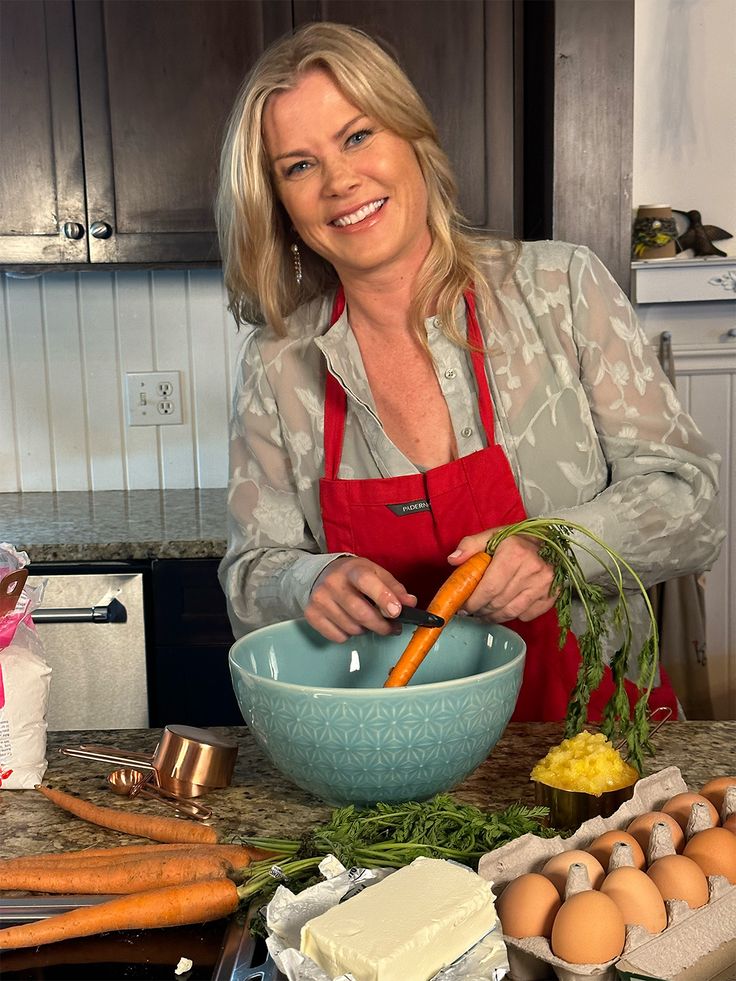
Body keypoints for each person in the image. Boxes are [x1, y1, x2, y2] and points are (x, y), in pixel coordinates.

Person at [215, 22, 724, 721]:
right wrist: (309, 580)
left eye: (358, 136)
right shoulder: (277, 365)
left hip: (602, 748)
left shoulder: (562, 290)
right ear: (278, 204)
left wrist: (558, 550)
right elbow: (250, 573)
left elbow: (695, 507)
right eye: (298, 166)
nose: (339, 181)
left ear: (413, 141)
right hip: (399, 763)